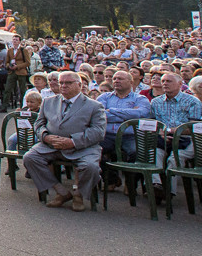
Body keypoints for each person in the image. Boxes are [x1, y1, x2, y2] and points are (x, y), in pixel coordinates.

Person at [22, 72, 107, 212]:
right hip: (51, 145)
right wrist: (45, 137)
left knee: (91, 167)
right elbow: (38, 124)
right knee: (30, 158)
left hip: (82, 148)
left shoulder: (94, 106)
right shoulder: (48, 101)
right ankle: (61, 191)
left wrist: (73, 141)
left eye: (68, 83)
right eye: (61, 83)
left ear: (79, 85)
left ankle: (78, 194)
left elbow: (98, 132)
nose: (63, 86)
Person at [95, 71, 151, 191]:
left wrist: (111, 110)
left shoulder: (140, 98)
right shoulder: (104, 97)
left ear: (130, 82)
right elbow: (99, 115)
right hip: (107, 135)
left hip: (130, 135)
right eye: (114, 78)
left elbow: (141, 113)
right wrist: (128, 115)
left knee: (138, 153)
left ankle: (131, 184)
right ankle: (112, 179)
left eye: (120, 79)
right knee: (94, 150)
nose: (116, 81)